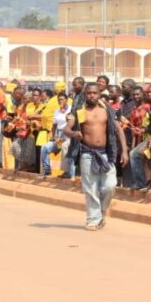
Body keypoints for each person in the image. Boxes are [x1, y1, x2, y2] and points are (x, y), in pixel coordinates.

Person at [64, 83, 128, 231]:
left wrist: (124, 151)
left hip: (106, 154)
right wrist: (74, 134)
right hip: (87, 153)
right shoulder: (79, 111)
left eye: (94, 93)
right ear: (85, 95)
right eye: (89, 93)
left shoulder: (107, 110)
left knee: (110, 186)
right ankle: (93, 219)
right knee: (91, 188)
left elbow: (119, 130)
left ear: (99, 93)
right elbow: (66, 129)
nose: (92, 95)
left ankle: (101, 213)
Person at [39, 93, 72, 177]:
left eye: (62, 99)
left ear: (66, 100)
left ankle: (67, 172)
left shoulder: (71, 110)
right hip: (59, 136)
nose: (60, 101)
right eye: (59, 99)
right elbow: (54, 125)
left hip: (68, 135)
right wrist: (53, 137)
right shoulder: (57, 111)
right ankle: (47, 170)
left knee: (65, 147)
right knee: (45, 148)